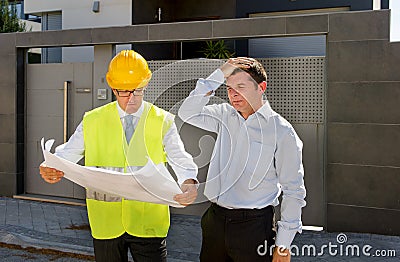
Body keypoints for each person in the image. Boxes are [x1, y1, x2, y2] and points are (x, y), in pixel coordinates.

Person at [39, 50, 198, 262]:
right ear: (113, 88)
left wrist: (189, 181)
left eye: (137, 91)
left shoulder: (163, 120)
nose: (132, 99)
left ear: (145, 85)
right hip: (106, 223)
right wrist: (50, 167)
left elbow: (181, 158)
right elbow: (67, 154)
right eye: (124, 92)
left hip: (148, 222)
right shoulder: (93, 120)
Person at [178, 57, 306, 262]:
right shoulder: (223, 115)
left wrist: (283, 245)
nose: (233, 95)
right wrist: (219, 74)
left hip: (254, 228)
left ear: (261, 87)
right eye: (229, 88)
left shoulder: (282, 132)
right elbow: (187, 112)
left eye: (241, 87)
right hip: (215, 222)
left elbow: (294, 190)